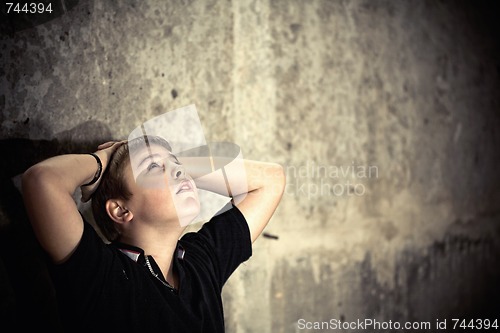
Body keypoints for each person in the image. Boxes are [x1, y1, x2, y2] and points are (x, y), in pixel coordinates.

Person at [22, 131, 285, 332]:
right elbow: (42, 181)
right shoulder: (103, 275)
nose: (180, 170)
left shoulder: (200, 262)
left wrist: (177, 164)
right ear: (121, 211)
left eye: (177, 164)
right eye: (152, 167)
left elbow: (271, 180)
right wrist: (105, 159)